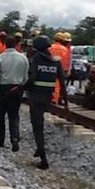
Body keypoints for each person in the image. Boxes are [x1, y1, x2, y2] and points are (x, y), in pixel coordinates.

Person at [26, 35, 68, 169]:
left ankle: (43, 159)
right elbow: (62, 82)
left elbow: (32, 78)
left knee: (37, 126)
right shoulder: (55, 61)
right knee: (40, 124)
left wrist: (21, 88)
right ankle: (39, 149)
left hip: (35, 96)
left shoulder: (36, 59)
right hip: (47, 98)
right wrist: (66, 103)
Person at [0, 37, 29, 152]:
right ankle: (15, 138)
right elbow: (26, 77)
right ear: (16, 45)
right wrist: (21, 87)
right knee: (14, 115)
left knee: (0, 116)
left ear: (5, 45)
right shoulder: (23, 58)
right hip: (17, 89)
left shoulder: (0, 58)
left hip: (3, 89)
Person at [48, 32, 70, 104]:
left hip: (49, 70)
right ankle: (55, 100)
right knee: (58, 86)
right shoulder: (64, 49)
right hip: (60, 71)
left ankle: (49, 99)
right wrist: (65, 71)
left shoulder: (49, 48)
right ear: (62, 40)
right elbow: (65, 62)